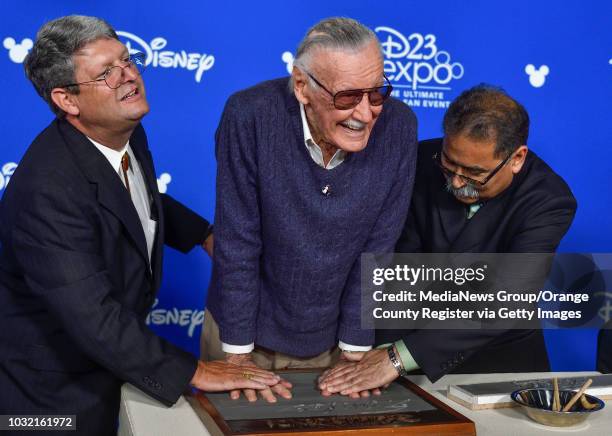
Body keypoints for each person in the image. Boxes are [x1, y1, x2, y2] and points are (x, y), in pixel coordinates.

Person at [0, 15, 279, 435]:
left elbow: (136, 198)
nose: (128, 76)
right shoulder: (47, 191)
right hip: (49, 392)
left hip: (106, 364)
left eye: (127, 61)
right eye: (106, 74)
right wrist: (195, 371)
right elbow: (93, 318)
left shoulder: (123, 129)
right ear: (67, 100)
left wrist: (203, 234)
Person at [201, 17, 417, 402]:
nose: (366, 114)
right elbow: (238, 240)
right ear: (302, 85)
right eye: (348, 97)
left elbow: (379, 246)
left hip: (336, 337)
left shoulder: (400, 126)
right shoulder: (249, 115)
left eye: (377, 93)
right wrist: (236, 352)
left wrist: (354, 346)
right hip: (243, 329)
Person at [318, 84, 577, 396]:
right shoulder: (419, 159)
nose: (456, 182)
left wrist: (397, 357)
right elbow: (396, 264)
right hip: (406, 346)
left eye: (474, 174)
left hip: (499, 361)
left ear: (517, 158)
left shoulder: (550, 200)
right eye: (449, 164)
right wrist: (382, 350)